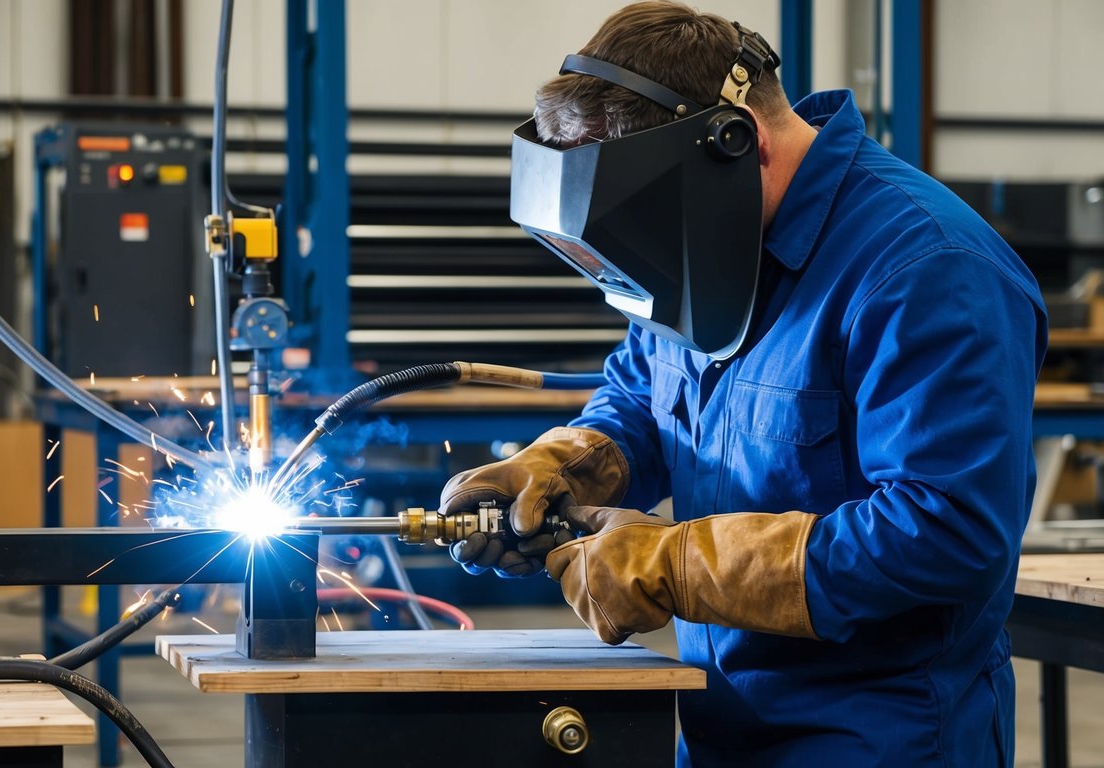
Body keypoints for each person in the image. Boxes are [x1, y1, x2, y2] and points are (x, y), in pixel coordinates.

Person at [438, 2, 1047, 765]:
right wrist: (563, 465)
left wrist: (676, 564)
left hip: (877, 734)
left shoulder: (927, 269)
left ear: (738, 144)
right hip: (716, 719)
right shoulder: (701, 240)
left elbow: (948, 532)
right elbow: (642, 396)